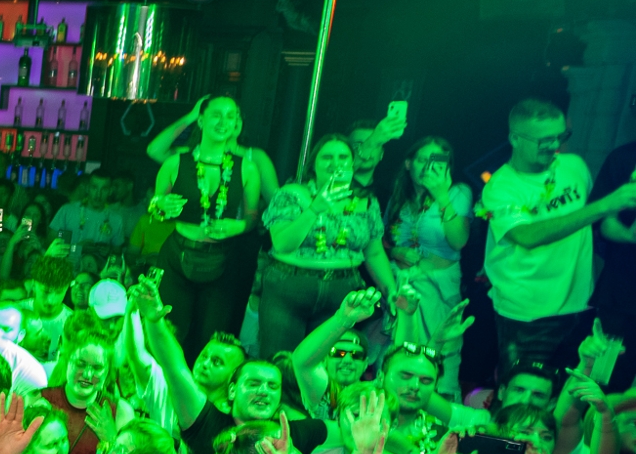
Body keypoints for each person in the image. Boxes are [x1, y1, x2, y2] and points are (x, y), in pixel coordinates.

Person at [479, 99, 635, 371]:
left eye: (560, 136)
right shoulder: (500, 187)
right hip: (528, 314)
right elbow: (527, 236)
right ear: (515, 138)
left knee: (573, 387)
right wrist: (604, 205)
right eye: (544, 140)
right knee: (524, 390)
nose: (554, 145)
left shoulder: (574, 165)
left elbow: (597, 223)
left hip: (580, 306)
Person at [144, 95, 275, 360]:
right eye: (216, 115)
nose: (223, 121)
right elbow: (156, 208)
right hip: (178, 256)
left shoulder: (247, 167)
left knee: (212, 337)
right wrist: (160, 205)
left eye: (230, 116)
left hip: (224, 261)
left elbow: (253, 218)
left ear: (236, 123)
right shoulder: (176, 162)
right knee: (170, 332)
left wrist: (237, 226)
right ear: (202, 120)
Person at [259, 134, 399, 361]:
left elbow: (373, 252)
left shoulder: (366, 201)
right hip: (291, 286)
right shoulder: (292, 194)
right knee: (280, 360)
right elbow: (282, 244)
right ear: (313, 164)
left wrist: (390, 290)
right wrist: (314, 209)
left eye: (343, 157)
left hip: (342, 289)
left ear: (352, 163)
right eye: (327, 157)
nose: (335, 163)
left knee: (327, 364)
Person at [385, 138, 474, 396]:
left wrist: (441, 196)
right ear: (408, 163)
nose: (429, 168)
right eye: (423, 160)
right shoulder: (400, 197)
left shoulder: (458, 192)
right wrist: (395, 251)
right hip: (401, 286)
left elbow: (459, 240)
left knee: (441, 356)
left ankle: (438, 412)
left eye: (437, 162)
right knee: (400, 354)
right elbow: (380, 239)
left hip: (438, 289)